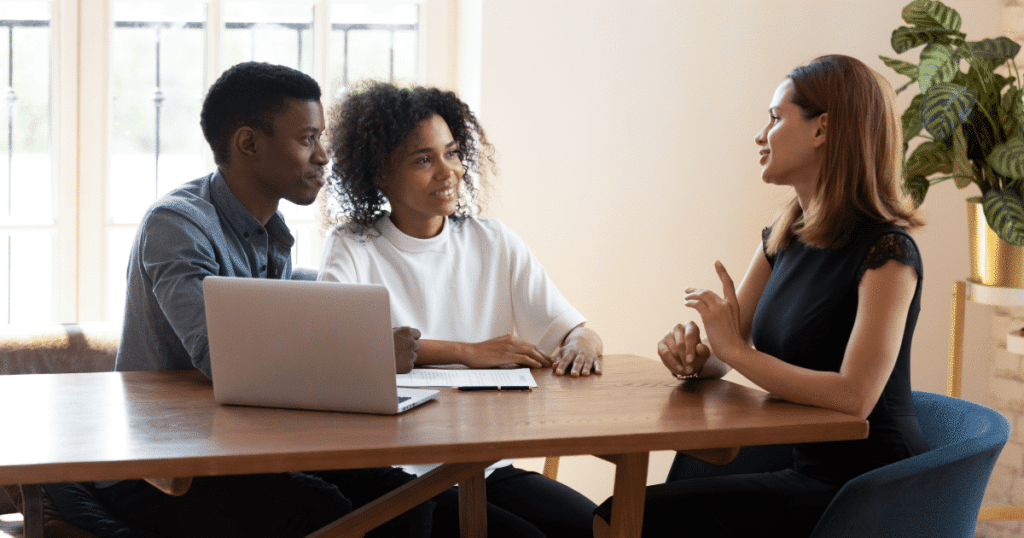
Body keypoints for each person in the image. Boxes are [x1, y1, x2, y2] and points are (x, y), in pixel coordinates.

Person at [89, 62, 431, 538]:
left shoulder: (270, 233)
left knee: (409, 500)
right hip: (162, 467)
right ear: (249, 144)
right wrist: (367, 353)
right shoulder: (177, 226)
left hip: (237, 444)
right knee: (327, 510)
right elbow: (223, 360)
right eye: (308, 139)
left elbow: (286, 329)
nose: (324, 156)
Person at [593, 54, 929, 537]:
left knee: (627, 518)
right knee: (626, 511)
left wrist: (731, 348)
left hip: (867, 487)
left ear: (822, 129)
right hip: (803, 466)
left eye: (775, 118)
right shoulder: (784, 233)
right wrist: (697, 357)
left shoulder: (889, 251)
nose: (759, 135)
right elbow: (727, 353)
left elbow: (854, 397)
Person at [318, 81, 601, 538]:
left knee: (595, 526)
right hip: (403, 475)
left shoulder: (492, 241)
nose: (447, 172)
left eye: (451, 153)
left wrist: (583, 342)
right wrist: (468, 352)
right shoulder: (354, 247)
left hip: (489, 465)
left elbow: (573, 329)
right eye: (424, 160)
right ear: (379, 174)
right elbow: (335, 350)